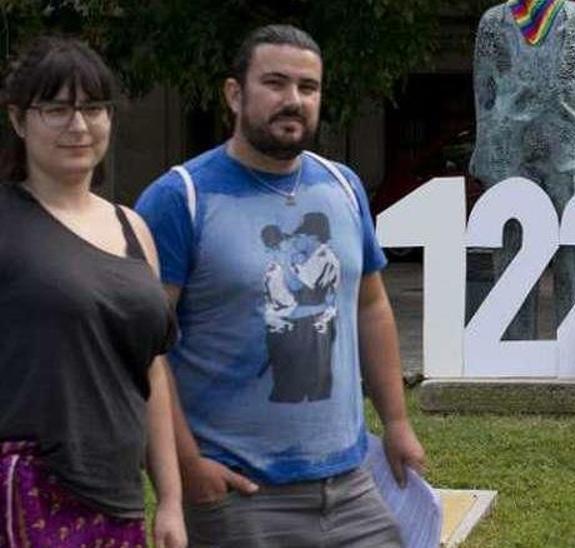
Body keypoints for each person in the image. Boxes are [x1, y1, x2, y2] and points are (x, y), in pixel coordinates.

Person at [134, 25, 423, 547]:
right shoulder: (181, 198)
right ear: (234, 93)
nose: (293, 100)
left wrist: (397, 422)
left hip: (352, 482)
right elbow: (143, 349)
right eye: (275, 83)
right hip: (240, 496)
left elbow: (371, 306)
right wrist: (185, 465)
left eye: (308, 88)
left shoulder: (342, 185)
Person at [0, 36, 186, 547]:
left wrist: (169, 499)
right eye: (56, 109)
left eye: (93, 108)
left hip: (118, 496)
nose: (78, 126)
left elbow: (150, 369)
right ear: (19, 120)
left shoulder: (134, 228)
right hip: (30, 488)